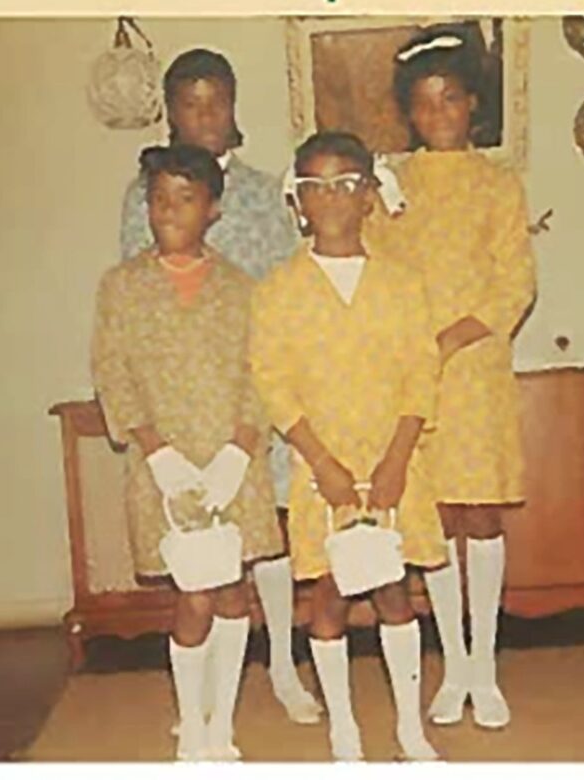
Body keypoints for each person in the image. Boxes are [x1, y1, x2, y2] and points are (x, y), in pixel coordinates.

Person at [119, 47, 320, 725]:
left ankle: (285, 667)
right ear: (169, 111)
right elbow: (137, 304)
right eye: (189, 102)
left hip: (254, 398)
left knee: (265, 534)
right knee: (205, 556)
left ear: (234, 106)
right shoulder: (142, 194)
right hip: (181, 407)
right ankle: (202, 695)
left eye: (217, 101)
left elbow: (289, 294)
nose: (204, 114)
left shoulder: (267, 192)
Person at [250, 131, 446, 761]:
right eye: (315, 186)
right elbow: (272, 382)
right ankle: (345, 730)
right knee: (329, 593)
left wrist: (395, 462)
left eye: (345, 183)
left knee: (394, 590)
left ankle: (410, 730)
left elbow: (421, 372)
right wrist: (323, 463)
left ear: (369, 194)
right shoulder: (278, 290)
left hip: (393, 463)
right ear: (297, 200)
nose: (330, 197)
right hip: (321, 471)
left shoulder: (402, 283)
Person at [366, 25, 537, 729]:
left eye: (452, 100)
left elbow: (514, 285)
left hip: (474, 371)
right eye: (425, 103)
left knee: (479, 513)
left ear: (473, 105)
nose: (439, 114)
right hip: (412, 377)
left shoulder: (499, 186)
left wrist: (451, 339)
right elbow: (370, 269)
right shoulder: (390, 185)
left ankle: (486, 668)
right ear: (410, 111)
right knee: (431, 518)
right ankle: (453, 665)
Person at [92, 144, 285, 760]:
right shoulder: (122, 287)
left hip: (235, 467)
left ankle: (220, 723)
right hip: (165, 469)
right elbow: (112, 373)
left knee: (232, 595)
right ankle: (193, 731)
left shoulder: (242, 290)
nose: (169, 211)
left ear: (213, 209)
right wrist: (155, 452)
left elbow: (265, 377)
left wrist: (239, 451)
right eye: (158, 199)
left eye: (185, 198)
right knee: (194, 593)